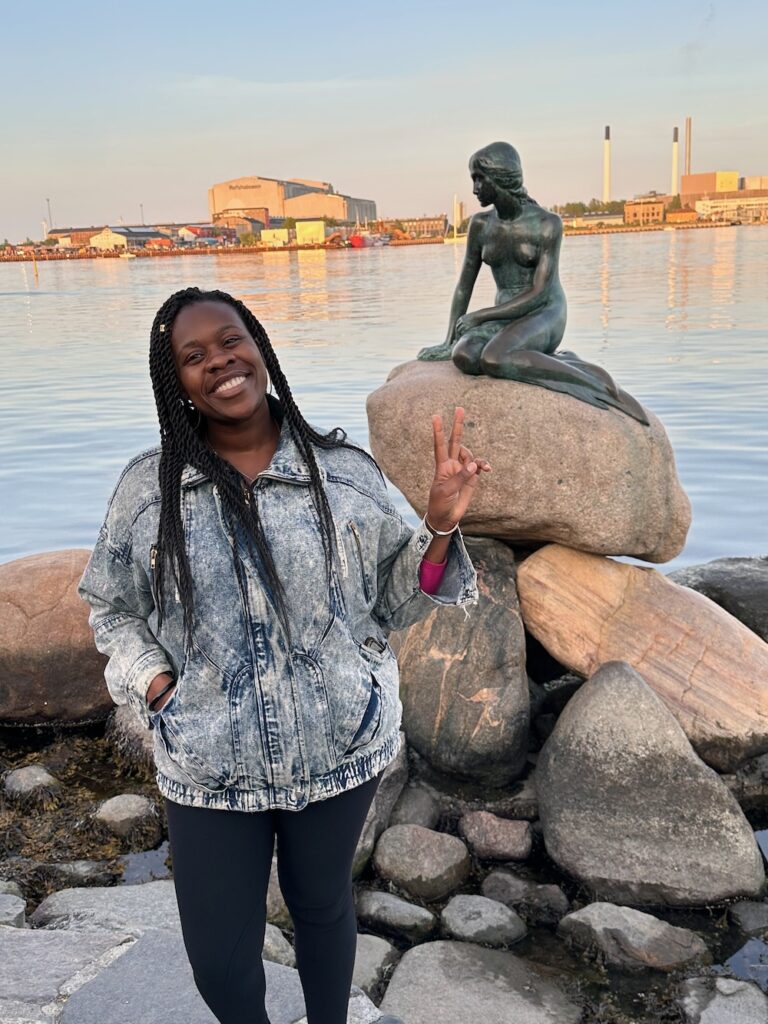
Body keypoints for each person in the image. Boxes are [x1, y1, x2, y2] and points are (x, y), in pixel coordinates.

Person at [78, 286, 491, 1024]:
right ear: (176, 381)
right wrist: (157, 681)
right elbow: (111, 607)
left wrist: (437, 524)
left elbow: (399, 600)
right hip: (209, 762)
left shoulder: (343, 472)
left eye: (231, 341)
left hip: (339, 744)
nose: (221, 363)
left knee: (323, 906)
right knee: (220, 963)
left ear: (259, 346)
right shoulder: (151, 490)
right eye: (194, 356)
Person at [418, 142, 648, 424]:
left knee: (494, 359)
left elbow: (539, 293)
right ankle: (557, 361)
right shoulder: (480, 225)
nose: (475, 188)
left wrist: (480, 316)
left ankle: (594, 384)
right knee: (464, 355)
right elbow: (465, 284)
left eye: (480, 178)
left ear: (502, 178)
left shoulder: (547, 224)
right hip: (506, 316)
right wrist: (449, 339)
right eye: (473, 179)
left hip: (545, 313)